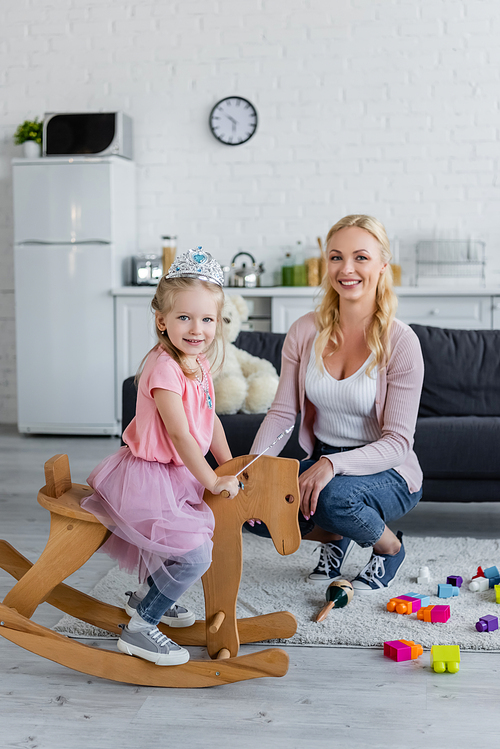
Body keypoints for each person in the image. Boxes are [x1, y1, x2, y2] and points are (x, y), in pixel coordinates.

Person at [248, 215, 424, 593]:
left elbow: (397, 443)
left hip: (389, 472)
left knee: (331, 497)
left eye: (360, 257)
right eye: (336, 257)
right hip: (326, 461)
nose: (346, 269)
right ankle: (334, 540)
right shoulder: (304, 331)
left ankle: (390, 548)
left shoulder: (402, 341)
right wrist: (252, 470)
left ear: (382, 265)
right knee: (256, 510)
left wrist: (331, 464)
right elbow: (282, 413)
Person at [82, 248, 240, 665]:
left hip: (176, 474)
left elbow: (210, 421)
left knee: (180, 541)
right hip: (149, 475)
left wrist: (230, 466)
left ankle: (146, 596)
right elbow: (180, 433)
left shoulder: (198, 362)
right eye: (185, 318)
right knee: (195, 553)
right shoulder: (164, 368)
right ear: (161, 320)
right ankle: (140, 628)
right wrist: (210, 479)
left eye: (207, 319)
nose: (197, 329)